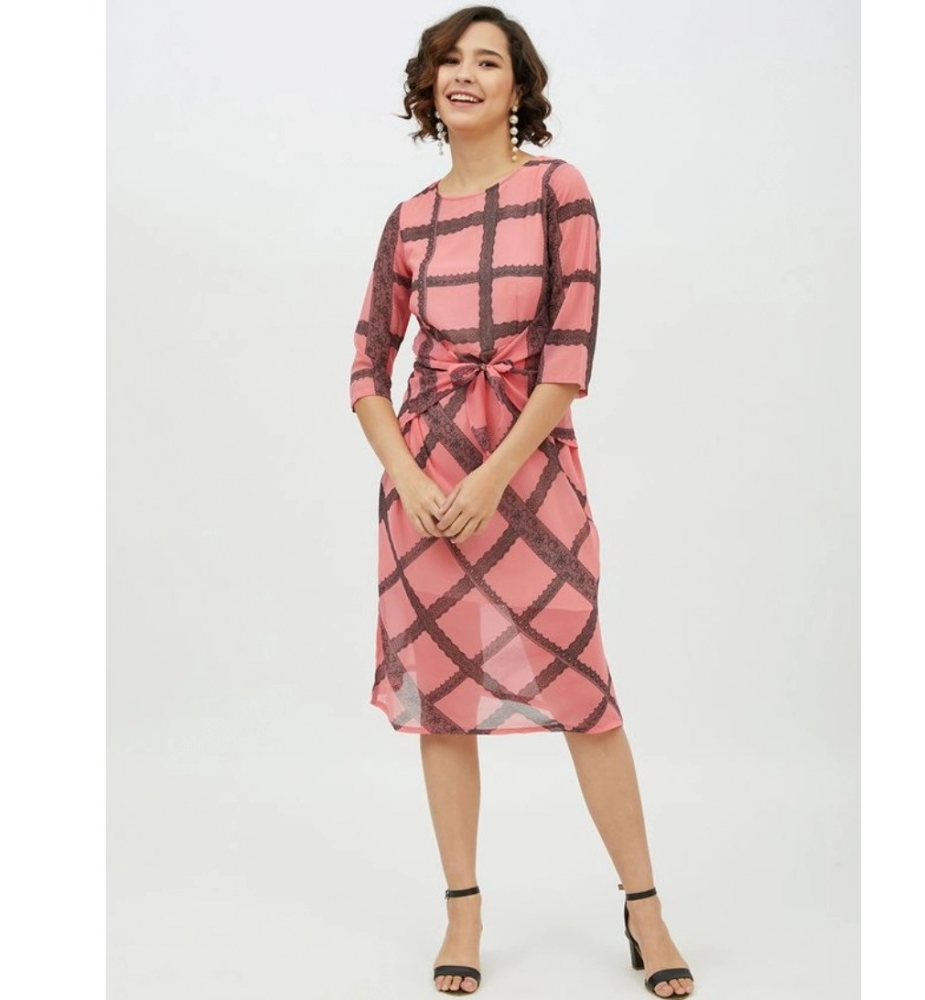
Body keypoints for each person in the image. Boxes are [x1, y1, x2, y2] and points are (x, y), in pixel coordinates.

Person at [348, 6, 696, 997]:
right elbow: (367, 366)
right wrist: (412, 479)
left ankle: (645, 907)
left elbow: (569, 355)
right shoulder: (408, 219)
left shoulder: (558, 190)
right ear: (429, 85)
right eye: (449, 60)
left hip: (528, 476)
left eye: (487, 61)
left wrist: (491, 475)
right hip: (424, 487)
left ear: (517, 88)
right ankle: (462, 910)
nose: (464, 73)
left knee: (584, 690)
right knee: (441, 701)